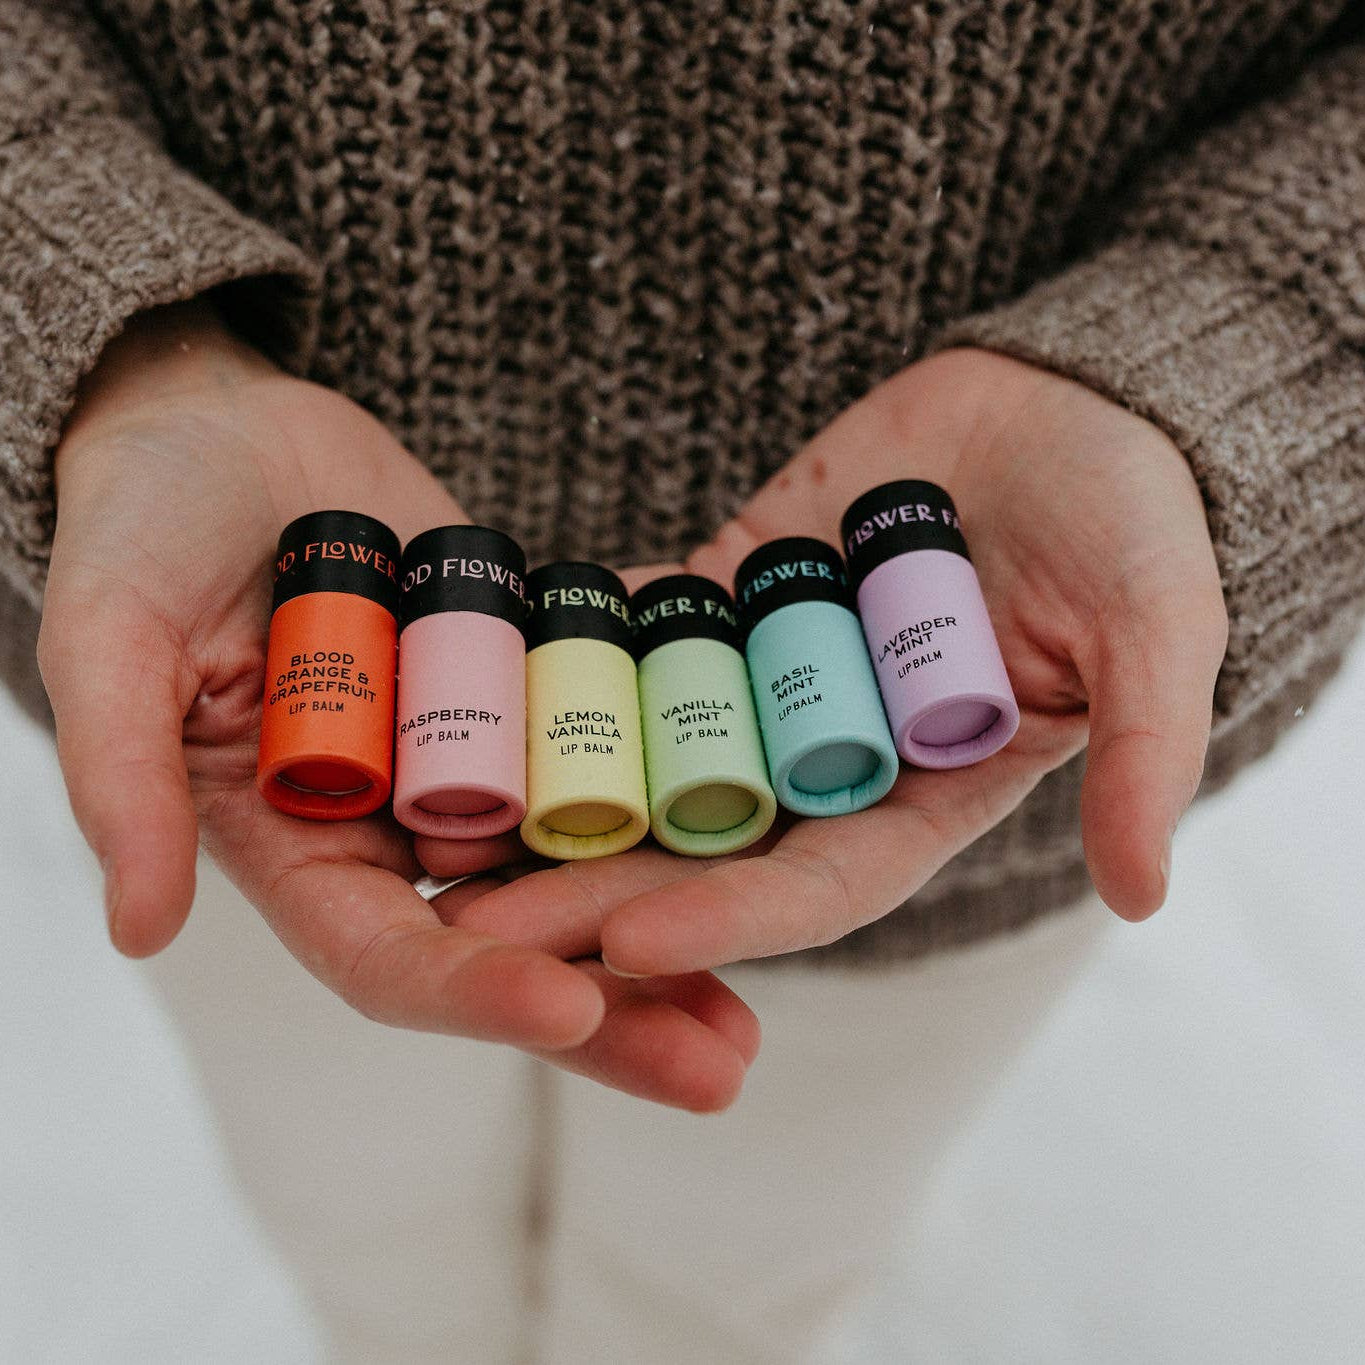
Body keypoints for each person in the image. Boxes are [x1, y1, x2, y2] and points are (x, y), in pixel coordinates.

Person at [3, 1, 1363, 1359]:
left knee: (724, 1287)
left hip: (946, 832)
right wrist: (106, 337)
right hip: (244, 739)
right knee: (361, 1226)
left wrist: (1245, 343)